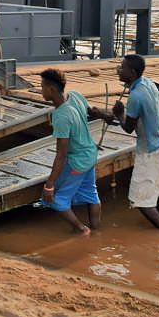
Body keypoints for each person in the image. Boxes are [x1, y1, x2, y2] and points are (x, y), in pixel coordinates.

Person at [38, 68, 102, 235]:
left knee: (56, 201)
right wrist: (106, 115)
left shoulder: (60, 116)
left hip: (77, 161)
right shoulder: (75, 96)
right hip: (90, 154)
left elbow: (62, 154)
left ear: (51, 89)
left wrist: (49, 185)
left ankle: (81, 229)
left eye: (42, 87)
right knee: (91, 194)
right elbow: (93, 111)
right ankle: (97, 233)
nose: (41, 90)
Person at [114, 54, 159, 230]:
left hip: (150, 153)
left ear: (132, 72)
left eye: (122, 68)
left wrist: (119, 114)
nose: (119, 70)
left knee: (141, 202)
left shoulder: (136, 96)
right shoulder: (148, 82)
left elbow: (128, 127)